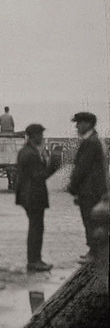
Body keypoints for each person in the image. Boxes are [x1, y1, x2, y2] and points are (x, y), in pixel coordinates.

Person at [15, 124, 60, 272]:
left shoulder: (26, 151)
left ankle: (35, 260)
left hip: (28, 196)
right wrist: (54, 165)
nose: (42, 137)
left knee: (35, 227)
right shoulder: (31, 154)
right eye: (40, 134)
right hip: (33, 196)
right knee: (36, 228)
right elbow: (40, 176)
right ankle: (34, 261)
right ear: (33, 136)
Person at [68, 112, 109, 263]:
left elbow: (82, 168)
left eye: (79, 123)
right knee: (92, 221)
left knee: (90, 221)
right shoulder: (94, 140)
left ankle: (94, 253)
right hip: (94, 189)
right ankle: (94, 251)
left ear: (88, 124)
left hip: (89, 190)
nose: (77, 126)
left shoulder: (90, 142)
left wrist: (72, 186)